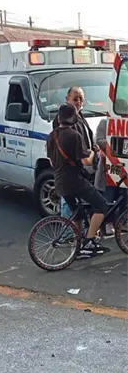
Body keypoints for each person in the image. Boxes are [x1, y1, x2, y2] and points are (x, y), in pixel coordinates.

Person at [47, 103, 109, 257]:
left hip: (59, 181)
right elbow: (86, 161)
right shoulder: (74, 136)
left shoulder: (52, 135)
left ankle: (78, 245)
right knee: (102, 206)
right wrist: (94, 152)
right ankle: (89, 241)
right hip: (75, 181)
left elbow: (51, 160)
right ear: (74, 117)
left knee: (77, 211)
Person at [52, 87, 96, 219]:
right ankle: (68, 235)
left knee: (76, 206)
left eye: (81, 99)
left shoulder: (79, 115)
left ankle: (77, 235)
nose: (79, 102)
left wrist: (93, 147)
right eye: (75, 99)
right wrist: (89, 153)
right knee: (69, 204)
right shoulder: (62, 120)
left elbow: (86, 136)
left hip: (80, 169)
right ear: (67, 99)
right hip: (70, 170)